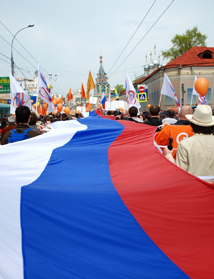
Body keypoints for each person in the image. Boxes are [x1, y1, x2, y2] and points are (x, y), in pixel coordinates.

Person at [163, 105, 214, 177]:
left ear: (192, 124)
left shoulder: (185, 144)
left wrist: (168, 155)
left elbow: (180, 172)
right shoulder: (186, 144)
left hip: (194, 186)